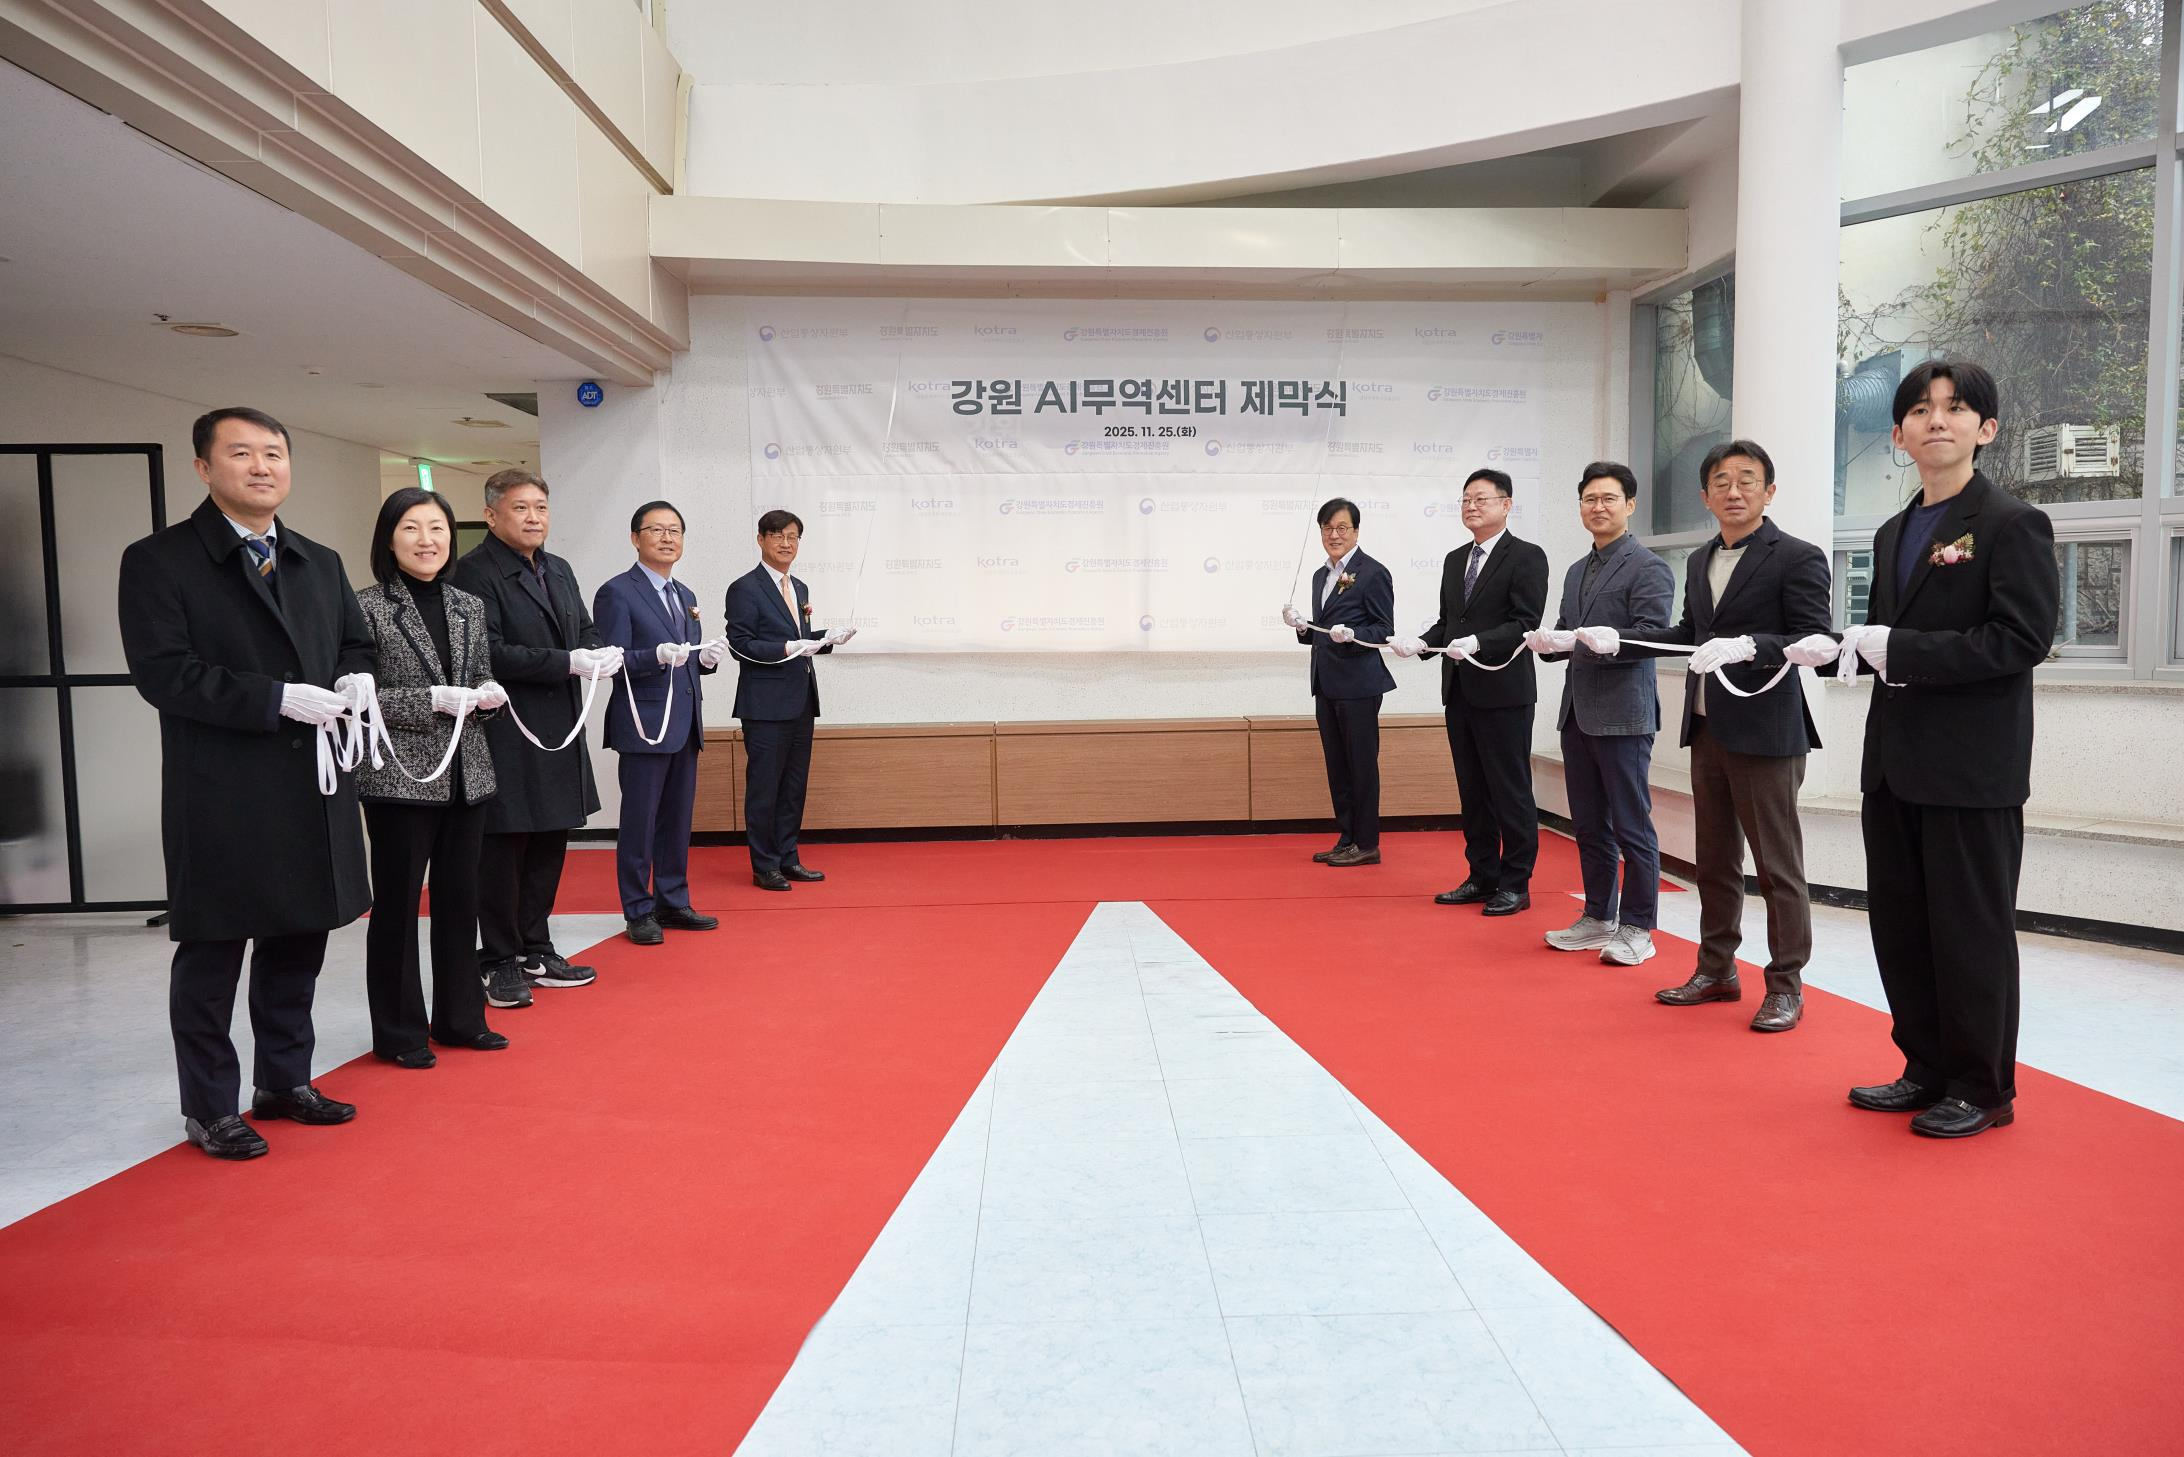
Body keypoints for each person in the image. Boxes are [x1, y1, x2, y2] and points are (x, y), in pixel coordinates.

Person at [118, 406, 371, 1159]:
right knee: (213, 951)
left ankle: (284, 1080)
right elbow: (163, 673)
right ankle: (208, 1107)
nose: (262, 467)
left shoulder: (318, 559)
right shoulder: (160, 559)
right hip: (221, 789)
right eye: (241, 453)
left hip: (311, 783)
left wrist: (356, 675)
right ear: (203, 467)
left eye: (274, 453)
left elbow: (355, 641)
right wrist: (274, 698)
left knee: (299, 940)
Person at [1833, 361, 2059, 1137]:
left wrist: (1899, 649)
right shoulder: (1893, 531)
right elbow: (1888, 641)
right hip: (1895, 765)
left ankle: (1983, 1085)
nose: (1937, 420)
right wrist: (1841, 650)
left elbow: (2020, 640)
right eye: (1921, 410)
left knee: (1970, 933)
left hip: (1970, 767)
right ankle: (1926, 1066)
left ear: (1985, 428)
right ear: (1898, 435)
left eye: (1955, 408)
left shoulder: (2011, 522)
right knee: (1902, 927)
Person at [1604, 441, 1833, 1032]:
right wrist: (1619, 640)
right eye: (1722, 482)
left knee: (1777, 867)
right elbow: (1690, 632)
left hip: (1767, 730)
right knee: (1714, 861)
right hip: (1707, 727)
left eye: (1747, 480)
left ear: (1769, 491)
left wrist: (1752, 646)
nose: (1734, 491)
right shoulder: (1700, 558)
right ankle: (1716, 969)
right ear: (1705, 496)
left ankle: (1785, 986)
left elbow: (1817, 639)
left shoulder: (1797, 556)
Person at [353, 487, 510, 1068]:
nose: (427, 540)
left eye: (438, 528)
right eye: (412, 529)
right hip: (400, 778)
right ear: (389, 539)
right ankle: (399, 1032)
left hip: (469, 773)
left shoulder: (468, 604)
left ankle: (461, 1019)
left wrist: (488, 695)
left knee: (460, 901)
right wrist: (430, 700)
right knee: (397, 906)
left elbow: (481, 675)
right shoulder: (366, 607)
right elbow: (358, 699)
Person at [451, 470, 620, 1008]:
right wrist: (567, 662)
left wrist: (596, 652)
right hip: (506, 728)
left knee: (550, 839)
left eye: (541, 508)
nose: (533, 518)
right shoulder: (473, 572)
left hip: (560, 724)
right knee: (504, 848)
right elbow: (488, 651)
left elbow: (584, 629)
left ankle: (536, 948)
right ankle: (497, 959)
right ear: (492, 515)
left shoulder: (558, 567)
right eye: (521, 508)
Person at [1525, 462, 1674, 967]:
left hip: (1624, 715)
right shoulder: (1575, 570)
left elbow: (1653, 636)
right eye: (1589, 499)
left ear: (1630, 505)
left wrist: (1610, 642)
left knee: (1632, 826)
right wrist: (1549, 644)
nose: (1598, 507)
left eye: (1609, 498)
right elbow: (1569, 632)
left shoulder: (1648, 566)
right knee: (1588, 825)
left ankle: (1638, 927)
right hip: (1577, 713)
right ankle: (1597, 916)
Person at [1392, 468, 1548, 914]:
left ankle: (1515, 883)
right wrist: (1422, 643)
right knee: (1473, 790)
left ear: (1506, 504)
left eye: (1481, 499)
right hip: (1460, 690)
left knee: (1509, 790)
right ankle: (1482, 876)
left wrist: (1480, 642)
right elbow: (1450, 622)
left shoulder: (1526, 556)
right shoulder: (1454, 559)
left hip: (1504, 691)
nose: (1471, 506)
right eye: (1465, 500)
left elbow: (1525, 622)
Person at [595, 500, 724, 944]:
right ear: (635, 538)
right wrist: (655, 656)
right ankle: (637, 909)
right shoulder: (617, 592)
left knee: (676, 820)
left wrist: (704, 662)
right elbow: (611, 661)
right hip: (644, 724)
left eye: (675, 531)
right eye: (657, 530)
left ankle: (673, 901)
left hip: (685, 724)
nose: (668, 538)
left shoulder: (685, 595)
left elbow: (684, 659)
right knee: (640, 822)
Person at [726, 510, 854, 891]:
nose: (786, 543)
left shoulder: (798, 587)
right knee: (765, 786)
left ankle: (788, 857)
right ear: (761, 539)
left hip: (801, 701)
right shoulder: (745, 588)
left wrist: (826, 638)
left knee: (793, 786)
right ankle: (764, 865)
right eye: (778, 536)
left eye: (793, 537)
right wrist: (786, 647)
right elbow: (739, 645)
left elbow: (799, 639)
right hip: (764, 706)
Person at [1282, 498, 1396, 866]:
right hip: (1326, 683)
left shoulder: (1373, 572)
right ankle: (1347, 838)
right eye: (1327, 528)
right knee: (1338, 766)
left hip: (1359, 685)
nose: (1334, 535)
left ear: (1356, 531)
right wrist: (1303, 627)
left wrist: (1354, 635)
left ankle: (1367, 843)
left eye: (1342, 528)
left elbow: (1383, 630)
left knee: (1361, 765)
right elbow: (1322, 629)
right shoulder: (1321, 575)